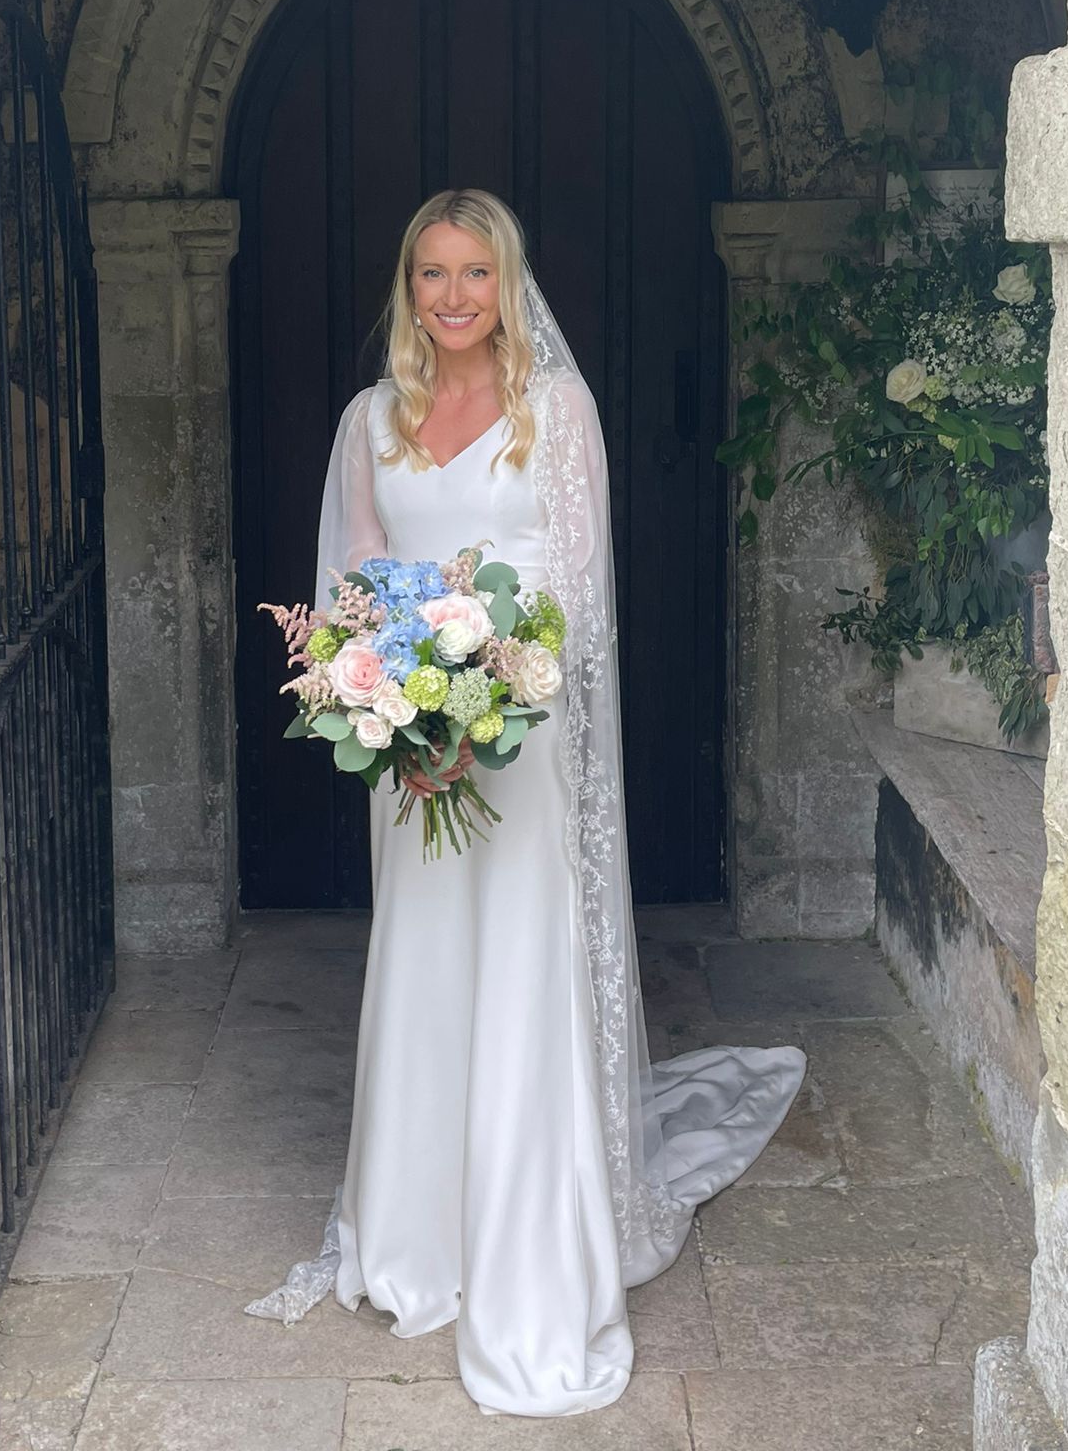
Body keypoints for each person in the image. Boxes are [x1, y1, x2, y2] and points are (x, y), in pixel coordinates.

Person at [245, 188, 804, 1417]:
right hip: (413, 757)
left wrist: (493, 697)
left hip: (522, 739)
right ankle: (416, 1231)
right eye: (432, 273)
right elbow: (344, 589)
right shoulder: (368, 421)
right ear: (409, 284)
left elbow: (579, 592)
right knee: (429, 963)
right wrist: (395, 708)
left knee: (520, 967)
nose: (452, 295)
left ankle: (528, 1245)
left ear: (508, 283)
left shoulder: (557, 412)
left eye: (475, 273)